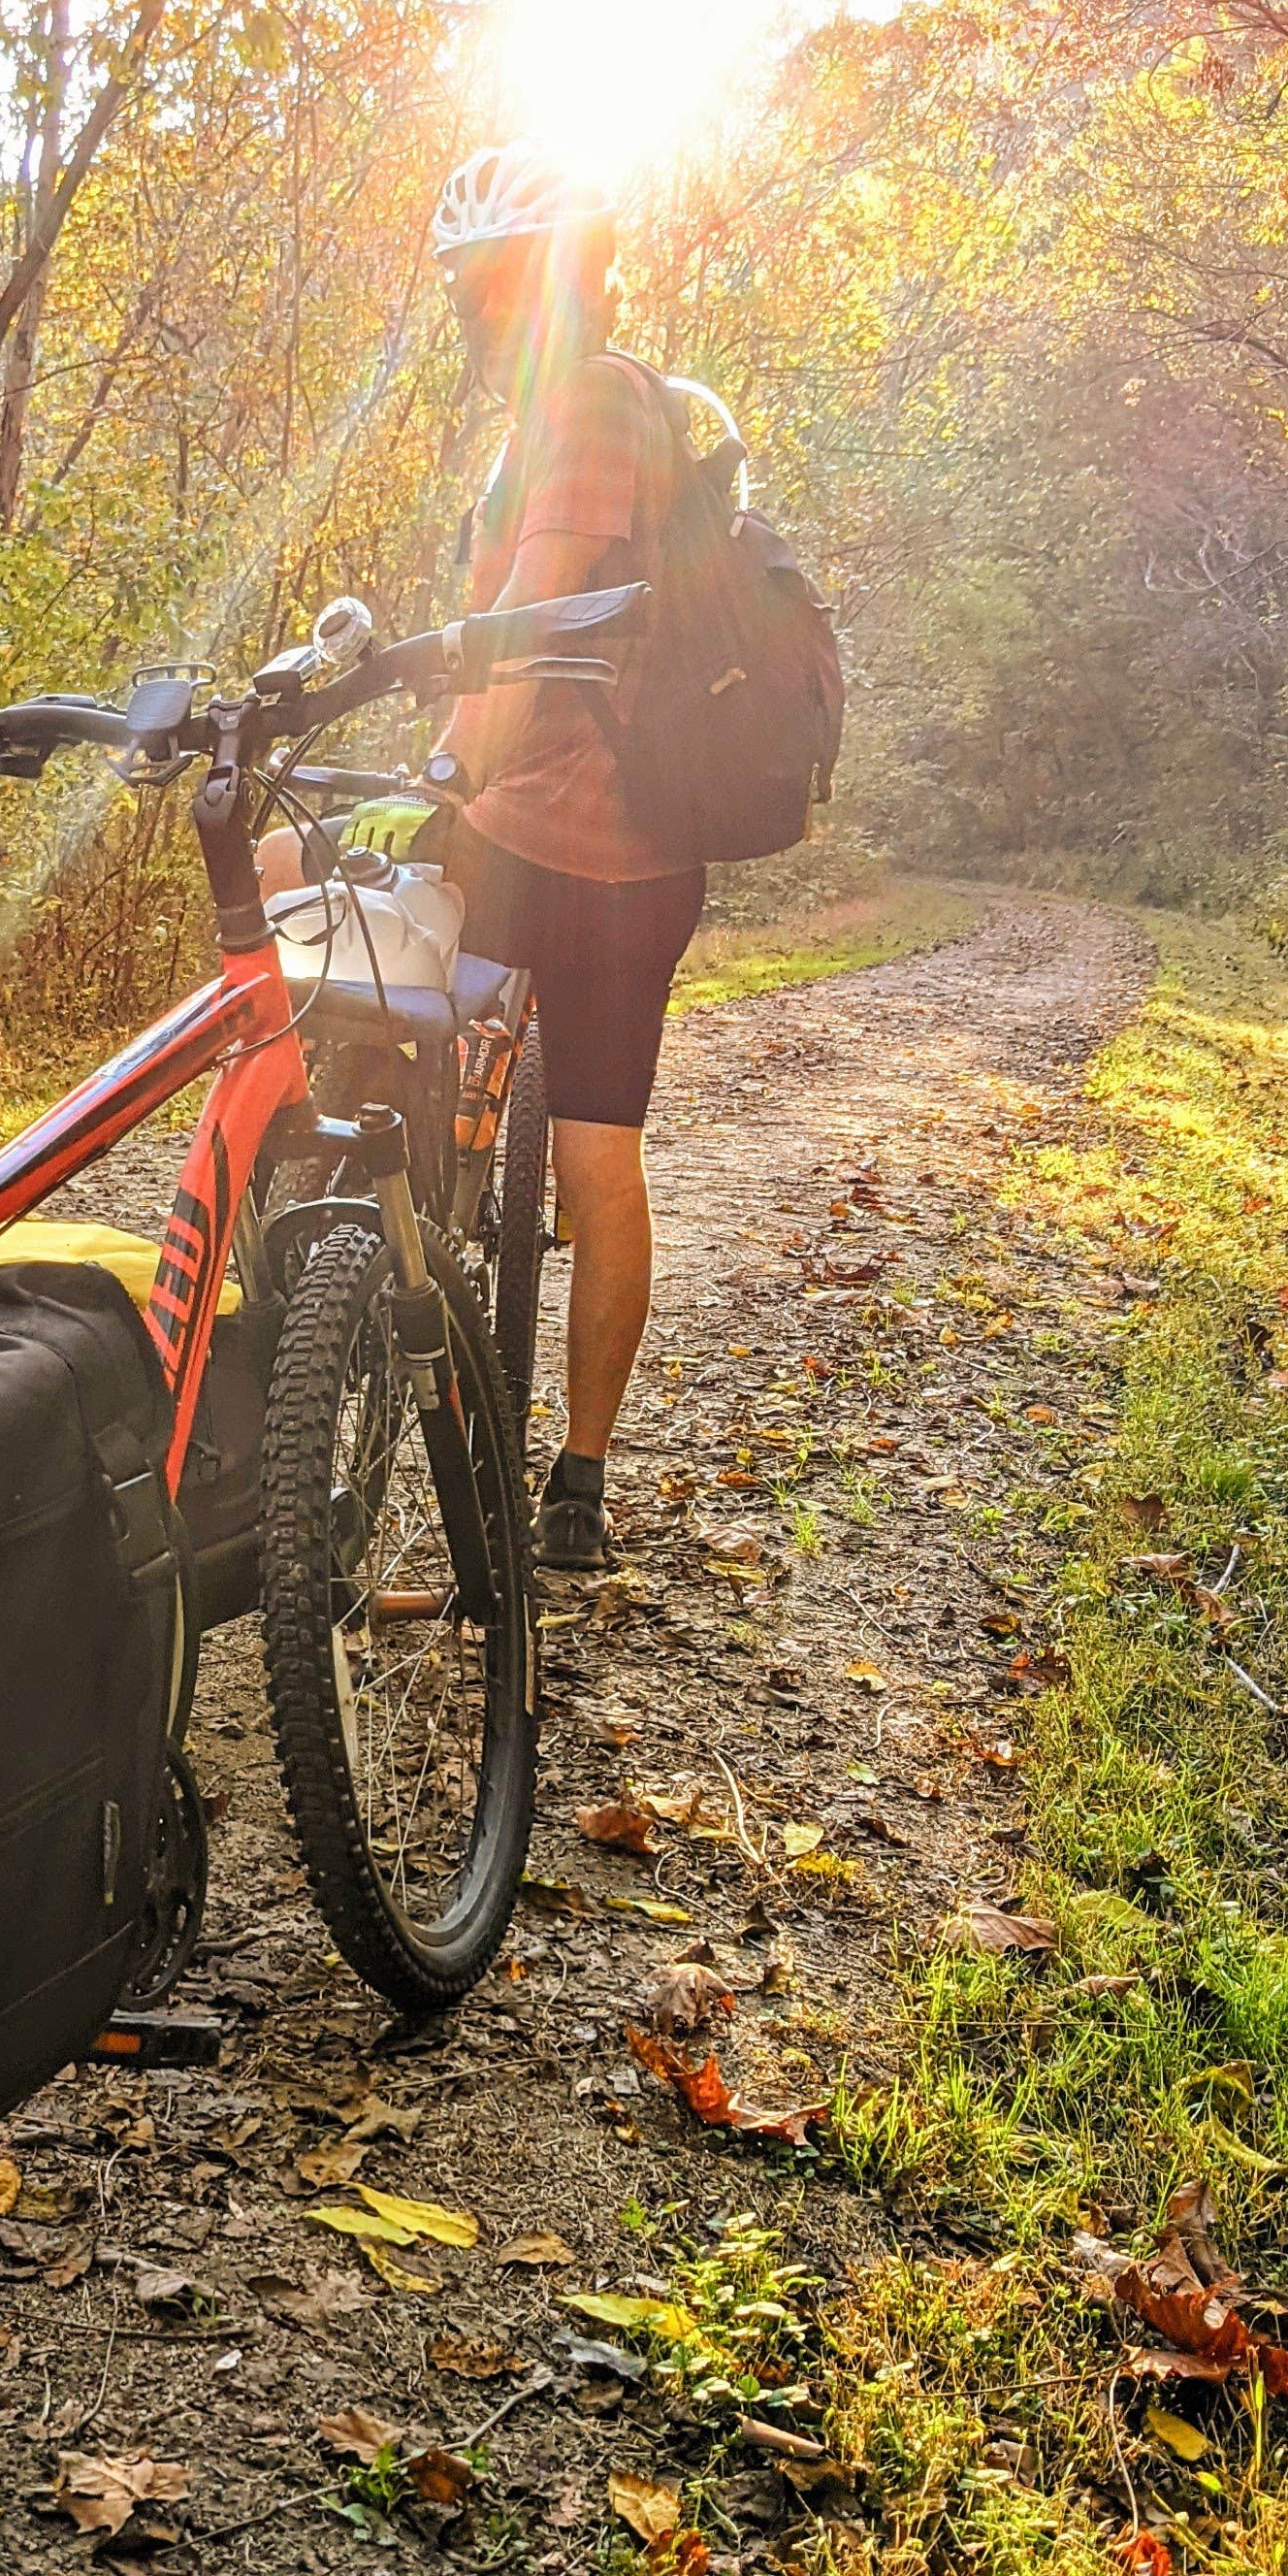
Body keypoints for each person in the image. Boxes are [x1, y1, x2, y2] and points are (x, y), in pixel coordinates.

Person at [417, 144, 707, 1571]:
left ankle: (570, 1469)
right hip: (614, 847)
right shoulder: (566, 418)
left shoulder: (588, 412)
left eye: (497, 281)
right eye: (470, 287)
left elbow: (525, 634)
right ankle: (570, 1483)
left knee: (587, 1161)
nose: (478, 310)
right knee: (594, 1152)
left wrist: (450, 774)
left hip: (578, 841)